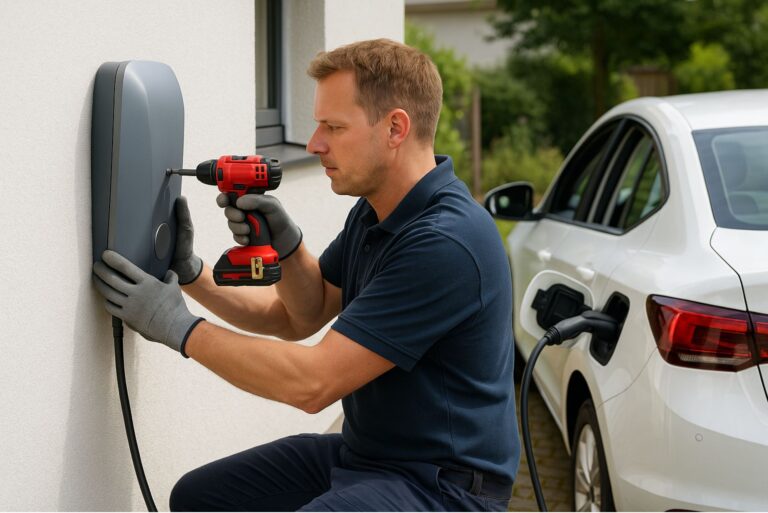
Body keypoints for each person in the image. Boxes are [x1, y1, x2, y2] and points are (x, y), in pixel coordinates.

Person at [92, 38, 520, 512]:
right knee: (199, 498)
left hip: (441, 487)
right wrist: (196, 272)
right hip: (367, 456)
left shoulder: (445, 242)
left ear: (396, 128)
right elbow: (302, 313)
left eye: (333, 127)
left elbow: (312, 385)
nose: (315, 143)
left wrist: (178, 328)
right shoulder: (376, 211)